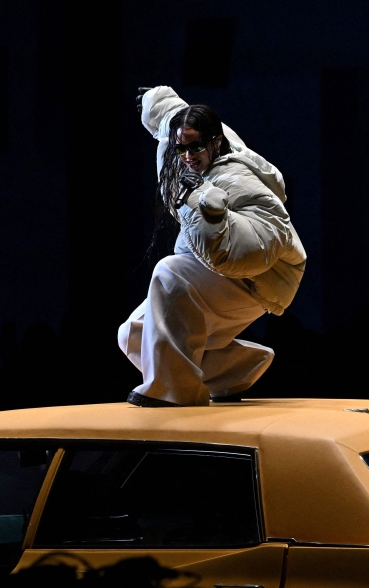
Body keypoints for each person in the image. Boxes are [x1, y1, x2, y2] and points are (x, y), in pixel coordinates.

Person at [119, 86, 306, 407]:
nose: (189, 156)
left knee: (169, 272)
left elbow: (259, 247)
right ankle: (235, 370)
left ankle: (174, 390)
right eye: (182, 148)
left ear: (215, 143)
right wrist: (156, 100)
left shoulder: (234, 177)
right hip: (220, 272)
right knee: (134, 332)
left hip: (256, 281)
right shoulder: (186, 152)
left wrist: (198, 200)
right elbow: (174, 120)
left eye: (197, 147)